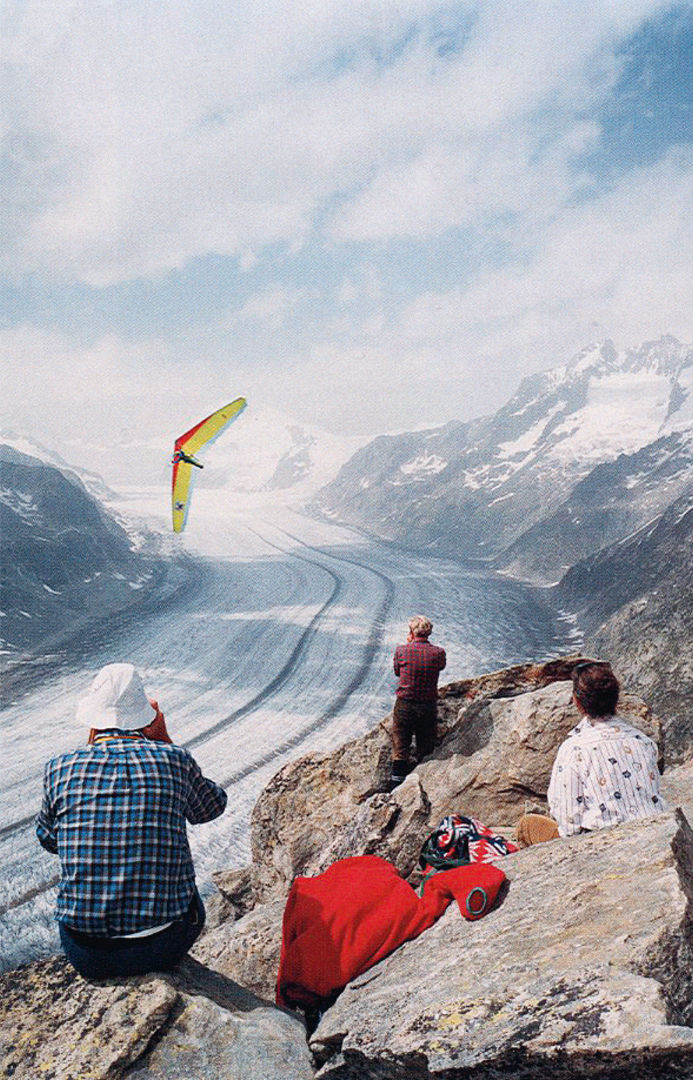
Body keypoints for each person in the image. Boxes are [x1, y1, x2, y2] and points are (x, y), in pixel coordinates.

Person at [36, 662, 227, 979]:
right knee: (189, 899)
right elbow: (211, 807)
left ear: (92, 720)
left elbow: (49, 839)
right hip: (164, 944)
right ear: (147, 718)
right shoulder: (173, 759)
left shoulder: (60, 768)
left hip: (86, 953)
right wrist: (164, 740)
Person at [516, 660, 668, 846]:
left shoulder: (574, 749)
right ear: (616, 698)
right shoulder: (643, 742)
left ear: (577, 702)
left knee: (528, 824)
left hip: (602, 844)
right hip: (651, 835)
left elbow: (568, 821)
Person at [390, 616, 446, 789]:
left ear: (411, 632)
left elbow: (397, 672)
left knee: (400, 747)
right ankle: (425, 781)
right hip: (428, 705)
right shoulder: (438, 653)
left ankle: (396, 787)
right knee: (426, 745)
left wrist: (409, 644)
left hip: (405, 704)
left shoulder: (401, 650)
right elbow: (441, 667)